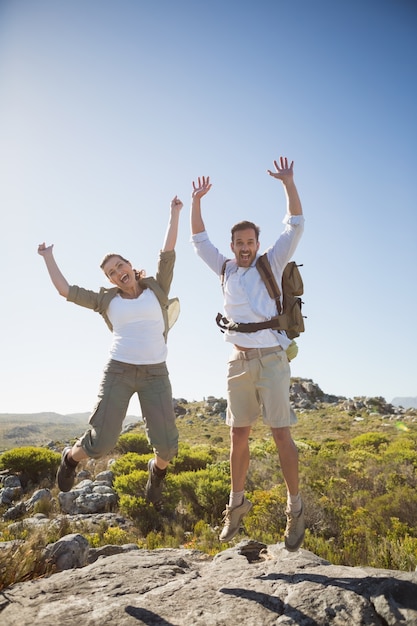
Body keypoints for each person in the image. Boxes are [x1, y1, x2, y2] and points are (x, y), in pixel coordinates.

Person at [38, 195, 183, 509]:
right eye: (111, 272)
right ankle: (70, 457)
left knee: (168, 449)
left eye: (120, 266)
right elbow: (65, 290)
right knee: (101, 443)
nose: (118, 272)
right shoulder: (106, 301)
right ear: (110, 280)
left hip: (156, 373)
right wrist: (48, 256)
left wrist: (174, 213)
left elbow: (168, 252)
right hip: (119, 371)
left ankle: (156, 474)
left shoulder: (157, 287)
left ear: (131, 266)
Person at [190, 156, 305, 551]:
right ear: (233, 245)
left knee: (280, 435)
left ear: (257, 244)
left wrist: (288, 183)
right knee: (238, 436)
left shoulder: (270, 263)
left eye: (249, 242)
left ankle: (295, 508)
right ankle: (236, 506)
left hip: (272, 359)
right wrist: (197, 202)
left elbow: (295, 225)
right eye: (238, 243)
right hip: (237, 362)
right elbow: (199, 242)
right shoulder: (224, 270)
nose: (242, 248)